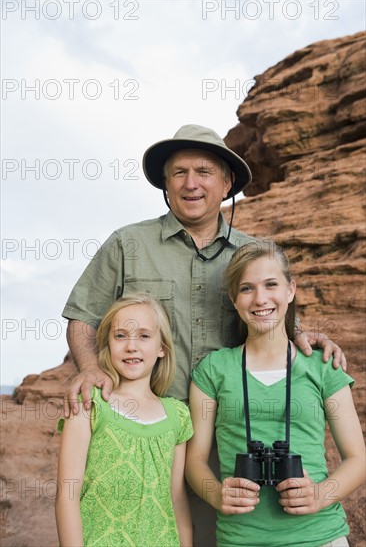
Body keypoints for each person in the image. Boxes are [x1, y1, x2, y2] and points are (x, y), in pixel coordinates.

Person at [62, 124, 346, 545]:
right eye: (178, 173)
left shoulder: (252, 255)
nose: (190, 183)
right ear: (165, 182)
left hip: (231, 433)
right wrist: (87, 367)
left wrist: (307, 337)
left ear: (227, 182)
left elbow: (271, 315)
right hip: (152, 431)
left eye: (204, 172)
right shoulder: (127, 244)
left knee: (223, 533)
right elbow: (82, 318)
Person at [186, 238, 365, 547]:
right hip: (241, 538)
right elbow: (195, 461)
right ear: (233, 297)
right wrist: (217, 494)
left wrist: (319, 496)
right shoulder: (213, 370)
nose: (260, 299)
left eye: (271, 285)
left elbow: (357, 458)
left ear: (290, 290)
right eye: (247, 288)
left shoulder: (322, 366)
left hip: (320, 536)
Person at [56, 292, 193, 546]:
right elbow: (67, 496)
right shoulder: (89, 405)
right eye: (120, 336)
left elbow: (176, 498)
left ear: (162, 347)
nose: (132, 346)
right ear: (107, 344)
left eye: (144, 336)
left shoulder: (178, 416)